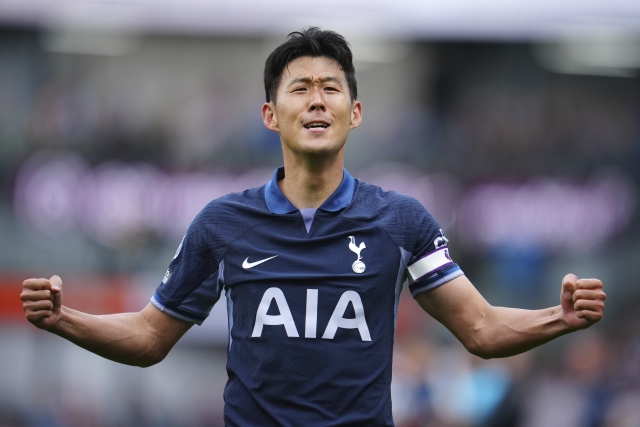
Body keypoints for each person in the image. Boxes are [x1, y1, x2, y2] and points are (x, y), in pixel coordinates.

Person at [20, 27, 606, 426]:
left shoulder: (401, 222)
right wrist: (63, 318)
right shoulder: (222, 224)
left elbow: (480, 329)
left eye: (332, 88)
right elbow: (150, 338)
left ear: (354, 112)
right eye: (300, 88)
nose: (317, 101)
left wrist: (563, 317)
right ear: (271, 115)